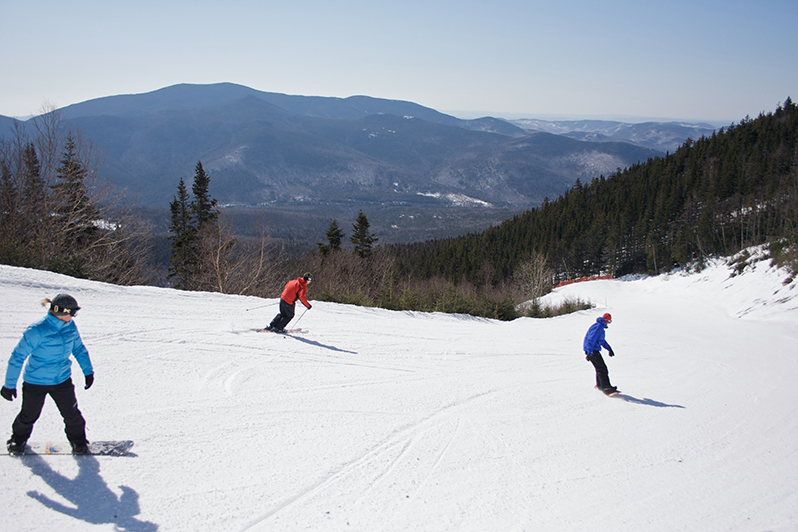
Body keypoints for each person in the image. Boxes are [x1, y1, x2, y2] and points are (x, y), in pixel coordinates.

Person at [2, 294, 95, 455]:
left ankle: (79, 443)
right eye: (72, 313)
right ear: (60, 311)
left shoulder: (70, 326)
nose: (73, 316)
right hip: (35, 382)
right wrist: (9, 385)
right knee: (28, 415)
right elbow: (18, 357)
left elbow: (79, 349)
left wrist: (88, 371)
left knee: (72, 415)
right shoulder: (37, 330)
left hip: (62, 381)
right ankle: (17, 441)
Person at [583, 312, 618, 395]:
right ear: (606, 320)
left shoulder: (600, 328)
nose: (608, 323)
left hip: (593, 350)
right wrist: (589, 352)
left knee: (600, 368)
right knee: (602, 369)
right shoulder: (598, 327)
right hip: (592, 351)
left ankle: (600, 386)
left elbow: (601, 341)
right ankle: (606, 388)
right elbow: (590, 340)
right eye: (609, 321)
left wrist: (609, 349)